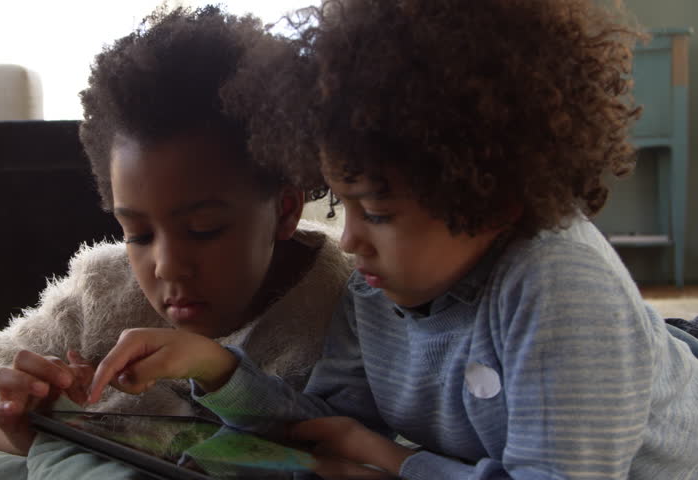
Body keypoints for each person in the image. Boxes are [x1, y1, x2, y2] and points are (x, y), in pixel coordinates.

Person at [84, 1, 698, 478]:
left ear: (491, 195)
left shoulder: (562, 287)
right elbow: (328, 428)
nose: (348, 240)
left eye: (376, 210)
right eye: (342, 203)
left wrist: (400, 463)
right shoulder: (376, 293)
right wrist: (217, 370)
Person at [0, 6, 352, 480]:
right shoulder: (106, 286)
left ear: (283, 209)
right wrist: (11, 420)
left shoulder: (345, 311)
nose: (168, 266)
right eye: (138, 232)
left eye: (204, 230)